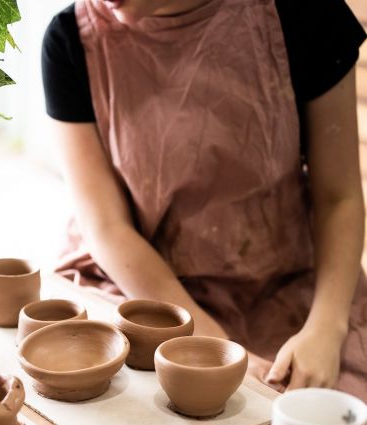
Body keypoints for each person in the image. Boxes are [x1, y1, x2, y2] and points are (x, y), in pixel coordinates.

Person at [42, 0, 367, 400]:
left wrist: (326, 328)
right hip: (139, 285)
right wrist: (214, 346)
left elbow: (340, 197)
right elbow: (106, 227)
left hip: (289, 291)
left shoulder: (304, 13)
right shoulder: (71, 41)